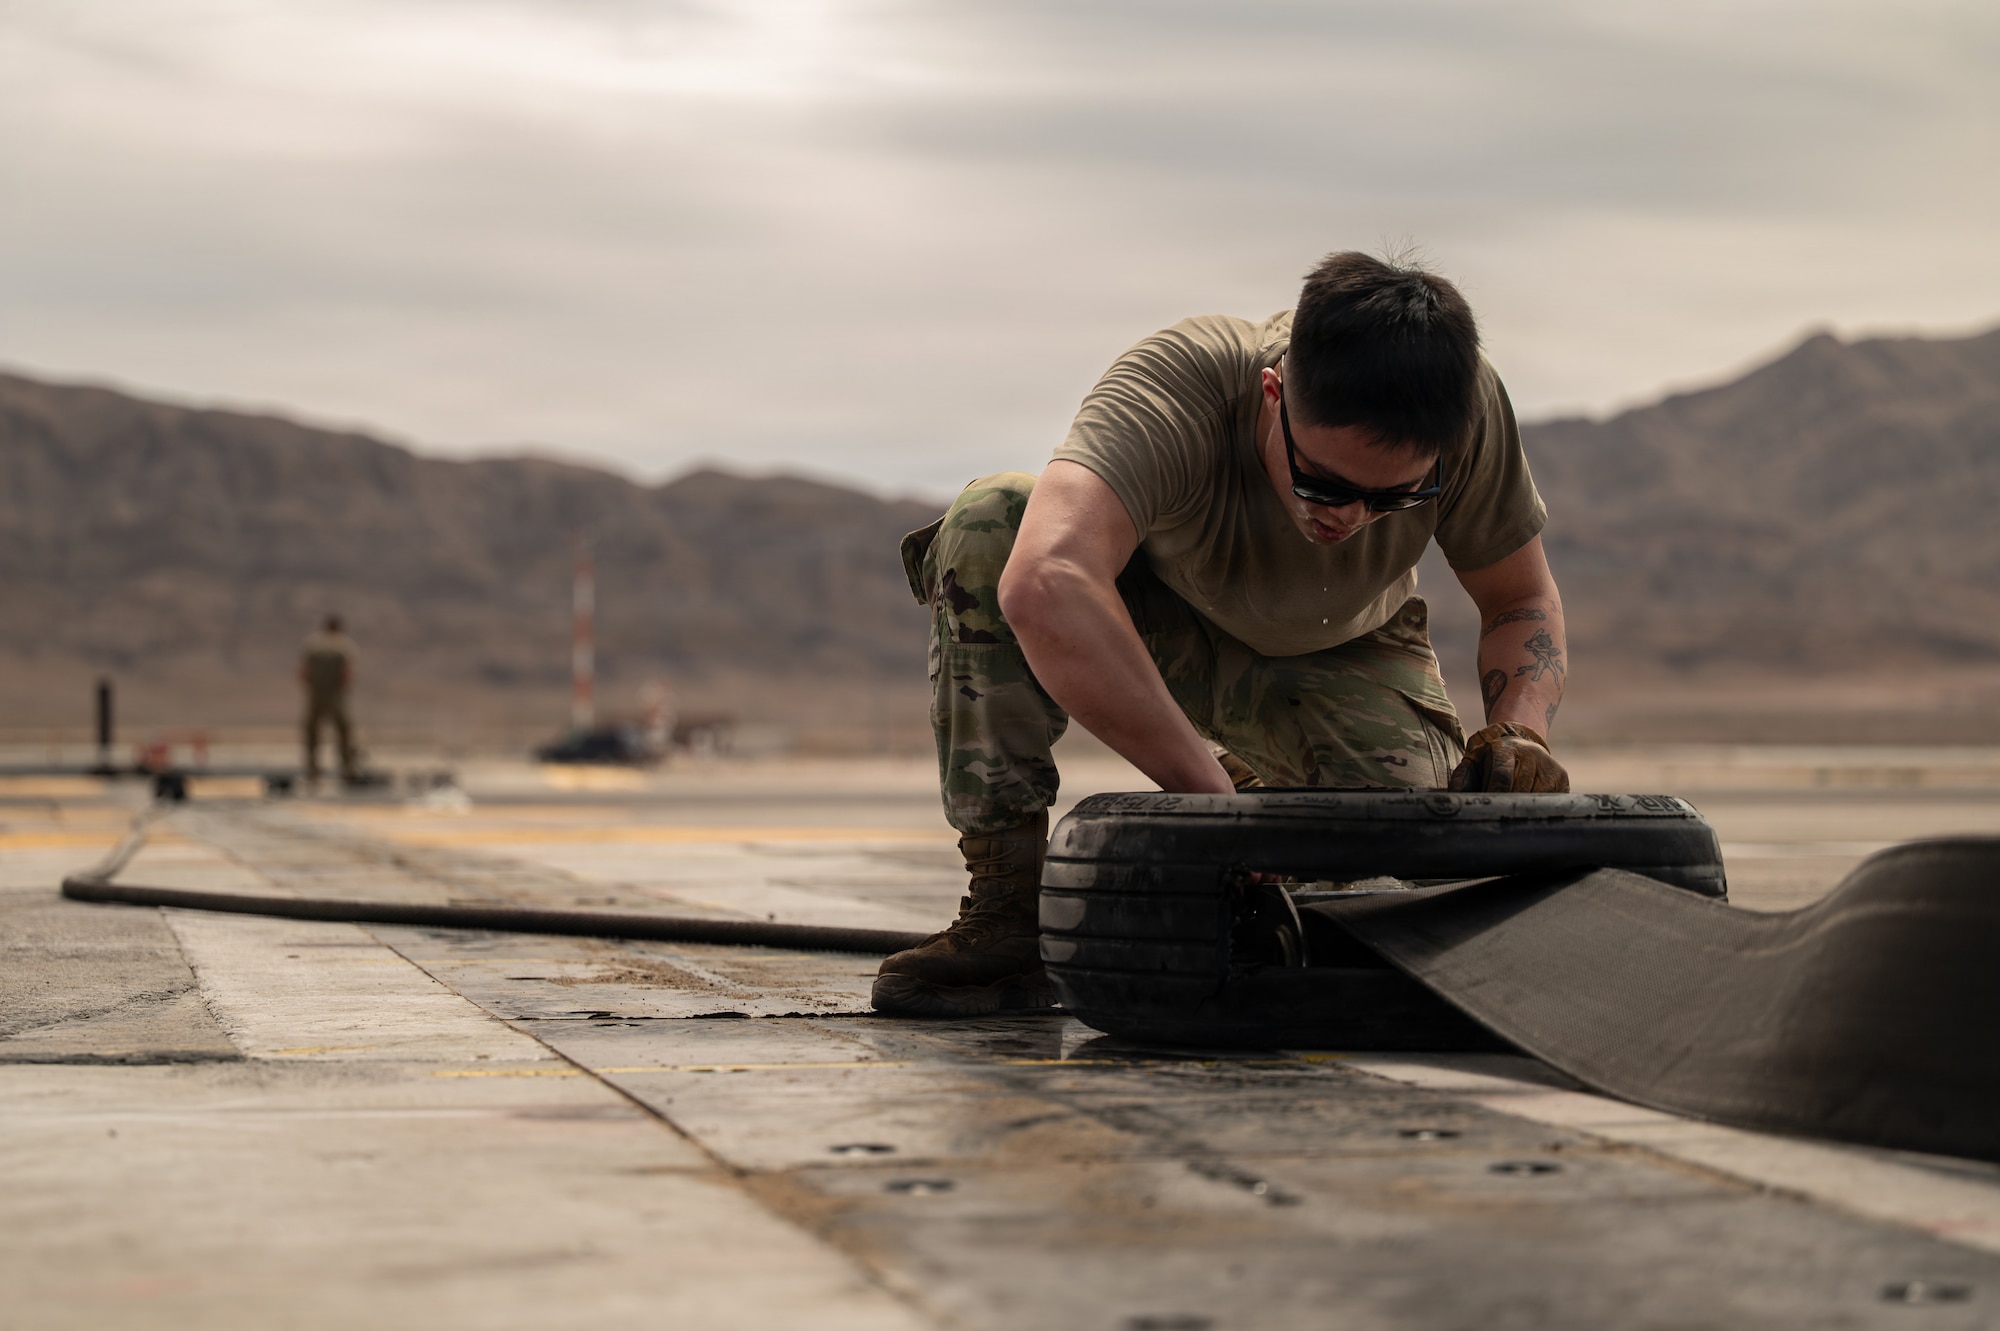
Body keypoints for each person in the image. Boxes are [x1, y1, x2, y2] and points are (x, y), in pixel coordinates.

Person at [874, 250, 1570, 1017]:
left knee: (1389, 895)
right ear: (1273, 396)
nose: (1350, 517)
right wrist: (1216, 815)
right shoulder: (1180, 383)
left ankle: (1270, 796)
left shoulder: (1468, 409)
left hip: (1346, 652)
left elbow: (1519, 598)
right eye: (1324, 485)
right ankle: (1005, 915)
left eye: (1395, 499)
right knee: (992, 522)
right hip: (1165, 626)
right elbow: (1047, 580)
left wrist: (1522, 732)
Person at [300, 614, 359, 784]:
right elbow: (347, 674)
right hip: (334, 694)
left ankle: (312, 768)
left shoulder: (313, 643)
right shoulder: (344, 645)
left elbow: (303, 672)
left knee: (313, 730)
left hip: (317, 693)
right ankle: (347, 768)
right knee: (343, 730)